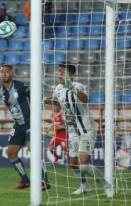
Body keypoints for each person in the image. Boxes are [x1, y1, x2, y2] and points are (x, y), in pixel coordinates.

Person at [47, 63, 111, 196]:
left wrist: (70, 86)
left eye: (62, 72)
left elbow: (86, 99)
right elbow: (57, 103)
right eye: (59, 71)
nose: (59, 74)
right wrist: (45, 101)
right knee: (73, 164)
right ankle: (84, 186)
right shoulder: (58, 88)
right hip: (72, 132)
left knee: (84, 164)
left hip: (86, 130)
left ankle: (107, 185)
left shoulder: (78, 86)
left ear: (71, 74)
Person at [0, 64, 49, 190]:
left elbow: (37, 96)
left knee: (33, 149)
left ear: (12, 73)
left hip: (30, 123)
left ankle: (44, 181)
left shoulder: (22, 86)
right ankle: (25, 180)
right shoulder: (0, 91)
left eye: (7, 72)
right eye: (2, 72)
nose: (4, 74)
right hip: (17, 125)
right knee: (10, 152)